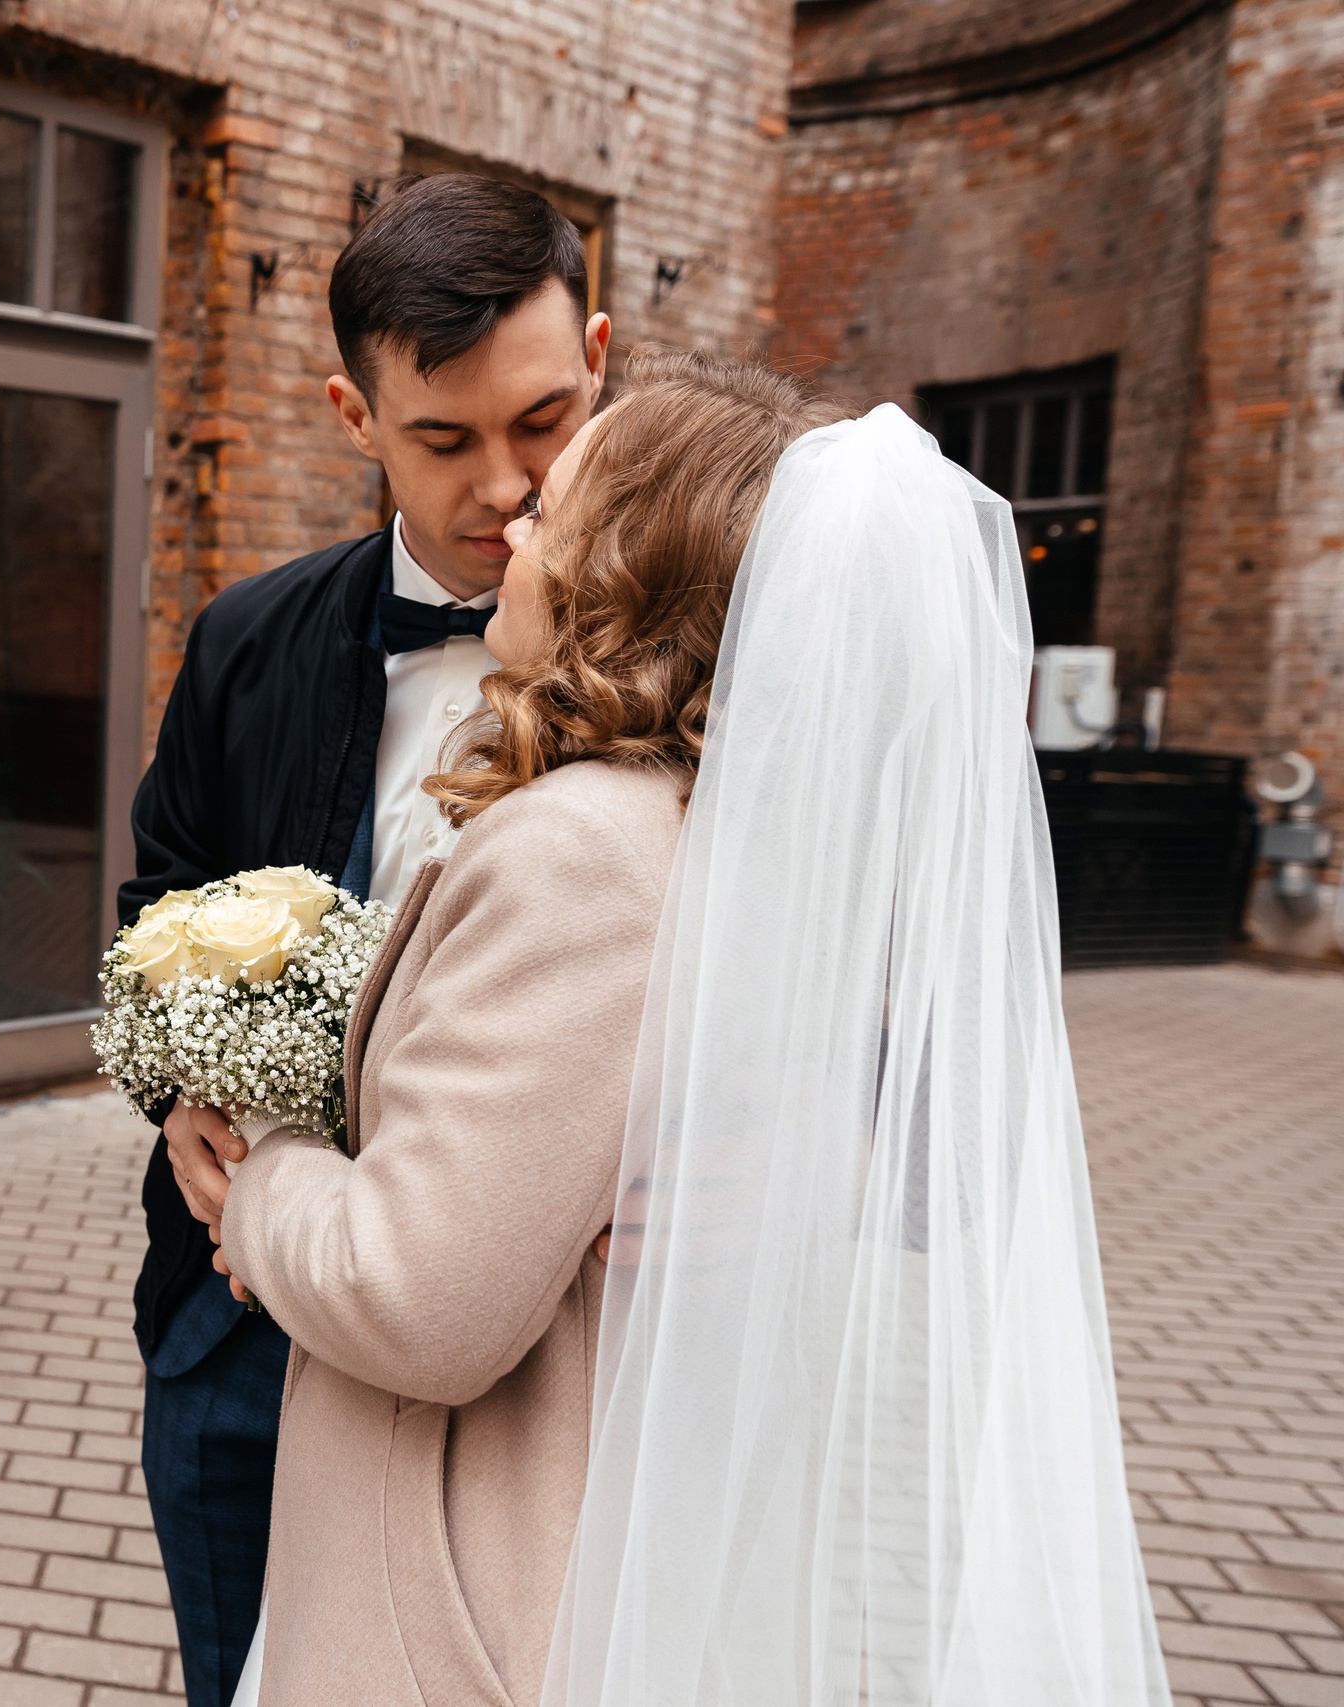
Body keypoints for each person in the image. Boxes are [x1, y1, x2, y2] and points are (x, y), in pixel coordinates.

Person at [214, 349, 1171, 1706]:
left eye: (552, 512)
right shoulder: (745, 840)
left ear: (622, 577)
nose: (515, 532)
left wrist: (263, 1175)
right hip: (639, 1546)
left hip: (482, 1585)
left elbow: (416, 1297)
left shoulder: (581, 851)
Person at [119, 172, 610, 1707]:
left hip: (522, 1377)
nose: (506, 489)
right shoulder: (246, 640)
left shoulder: (691, 666)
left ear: (600, 356)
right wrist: (181, 1099)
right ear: (354, 415)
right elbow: (157, 907)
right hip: (234, 1331)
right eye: (443, 439)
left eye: (544, 421)